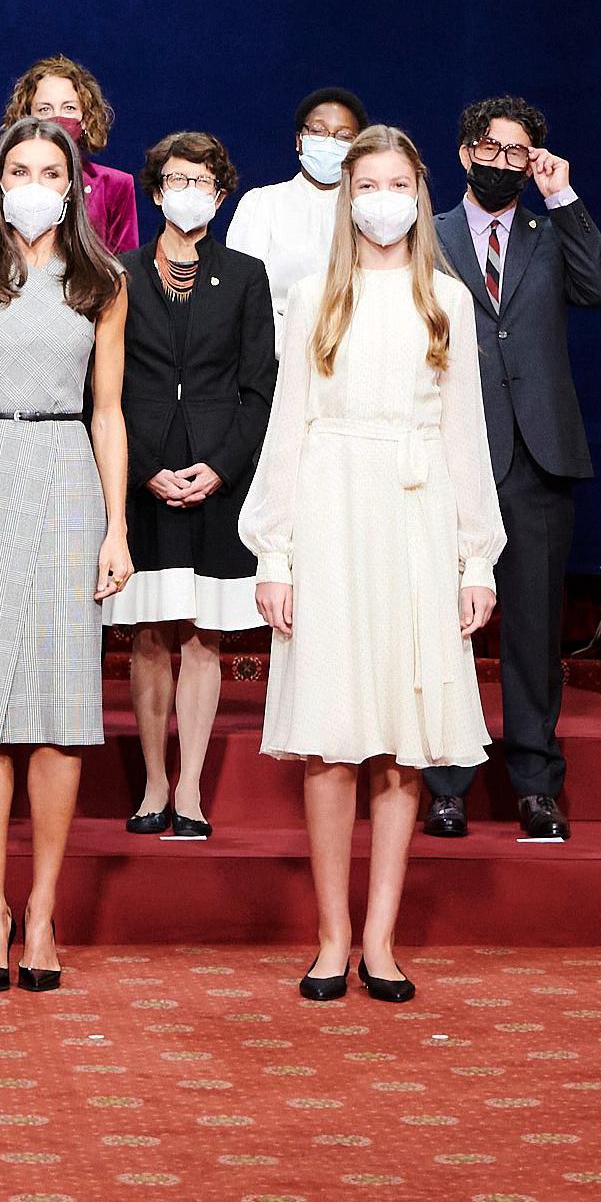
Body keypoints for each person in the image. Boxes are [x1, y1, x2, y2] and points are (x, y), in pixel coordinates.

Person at [243, 126, 501, 1006]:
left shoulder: (446, 299)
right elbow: (287, 426)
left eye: (397, 182)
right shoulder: (314, 293)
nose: (382, 198)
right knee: (332, 736)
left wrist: (477, 559)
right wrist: (273, 550)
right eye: (367, 183)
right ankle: (329, 937)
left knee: (401, 740)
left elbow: (466, 435)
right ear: (347, 195)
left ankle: (381, 941)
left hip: (418, 519)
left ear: (417, 192)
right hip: (329, 514)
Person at [0, 116, 132, 996]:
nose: (34, 182)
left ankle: (41, 910)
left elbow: (109, 412)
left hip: (66, 479)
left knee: (58, 706)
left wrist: (117, 527)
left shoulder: (102, 282)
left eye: (51, 169)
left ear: (75, 182)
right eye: (19, 168)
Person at [419, 97, 601, 842]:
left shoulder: (547, 229)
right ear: (464, 150)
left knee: (533, 632)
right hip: (449, 454)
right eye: (489, 146)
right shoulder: (427, 234)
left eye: (516, 151)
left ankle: (535, 785)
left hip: (538, 458)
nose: (501, 160)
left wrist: (560, 195)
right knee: (445, 627)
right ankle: (444, 783)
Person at [104, 131, 274, 838]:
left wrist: (222, 466)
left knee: (205, 633)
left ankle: (192, 789)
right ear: (153, 189)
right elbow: (105, 384)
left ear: (220, 191)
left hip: (217, 476)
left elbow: (258, 387)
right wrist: (144, 466)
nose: (188, 190)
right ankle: (151, 784)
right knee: (150, 631)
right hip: (144, 474)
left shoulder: (243, 273)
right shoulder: (118, 272)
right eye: (175, 178)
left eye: (202, 180)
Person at [226, 86, 366, 333]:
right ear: (299, 140)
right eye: (318, 131)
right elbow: (241, 293)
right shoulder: (262, 203)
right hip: (274, 352)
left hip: (352, 349)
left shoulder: (364, 211)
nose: (329, 142)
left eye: (343, 136)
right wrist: (290, 344)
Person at [0, 55, 139, 252]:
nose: (58, 118)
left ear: (86, 118)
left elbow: (125, 264)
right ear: (27, 117)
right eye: (45, 109)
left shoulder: (115, 185)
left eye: (69, 108)